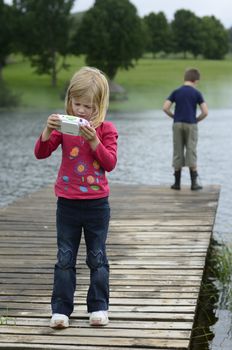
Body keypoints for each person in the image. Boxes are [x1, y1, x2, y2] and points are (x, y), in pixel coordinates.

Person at [34, 67, 118, 329]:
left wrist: (94, 141)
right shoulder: (65, 126)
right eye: (77, 103)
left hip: (97, 205)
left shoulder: (106, 129)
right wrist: (47, 132)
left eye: (88, 106)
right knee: (65, 257)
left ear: (100, 105)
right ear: (69, 100)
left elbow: (110, 162)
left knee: (97, 256)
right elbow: (41, 153)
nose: (81, 111)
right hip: (67, 204)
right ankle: (61, 310)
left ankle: (99, 307)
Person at [163, 68, 208, 190]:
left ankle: (177, 183)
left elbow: (165, 107)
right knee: (191, 150)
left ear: (185, 78)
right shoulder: (196, 93)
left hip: (177, 124)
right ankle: (194, 184)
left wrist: (174, 117)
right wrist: (196, 120)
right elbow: (205, 111)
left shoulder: (176, 92)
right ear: (195, 80)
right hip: (191, 124)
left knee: (177, 151)